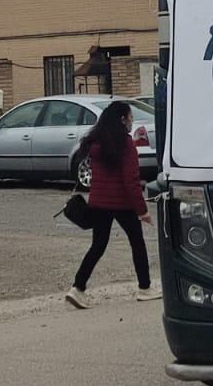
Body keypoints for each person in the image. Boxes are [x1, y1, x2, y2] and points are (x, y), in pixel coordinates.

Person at [64, 100, 159, 309]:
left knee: (98, 245)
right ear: (123, 120)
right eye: (131, 116)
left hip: (99, 202)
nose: (132, 120)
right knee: (137, 242)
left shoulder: (96, 143)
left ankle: (77, 288)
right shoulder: (125, 144)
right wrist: (142, 211)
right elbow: (131, 181)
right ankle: (145, 288)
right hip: (122, 203)